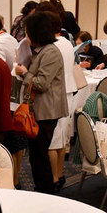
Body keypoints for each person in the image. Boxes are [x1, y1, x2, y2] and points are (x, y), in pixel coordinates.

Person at [14, 11, 68, 194]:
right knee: (37, 156)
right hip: (40, 110)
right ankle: (43, 189)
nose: (26, 37)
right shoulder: (40, 51)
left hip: (46, 112)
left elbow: (42, 83)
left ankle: (45, 192)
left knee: (39, 156)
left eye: (28, 33)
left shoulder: (50, 52)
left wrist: (24, 73)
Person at [47, 11, 77, 191]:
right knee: (61, 137)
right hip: (68, 92)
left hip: (55, 95)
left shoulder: (52, 46)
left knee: (52, 140)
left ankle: (54, 177)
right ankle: (59, 174)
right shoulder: (67, 42)